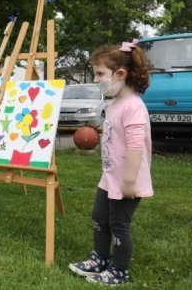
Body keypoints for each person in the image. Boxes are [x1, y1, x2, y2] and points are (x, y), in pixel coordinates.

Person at [68, 41, 153, 286]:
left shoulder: (134, 107)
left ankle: (120, 270)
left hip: (127, 179)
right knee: (99, 216)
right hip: (110, 177)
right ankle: (100, 258)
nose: (96, 79)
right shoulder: (115, 104)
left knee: (118, 224)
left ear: (120, 74)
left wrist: (129, 180)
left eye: (100, 74)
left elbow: (136, 147)